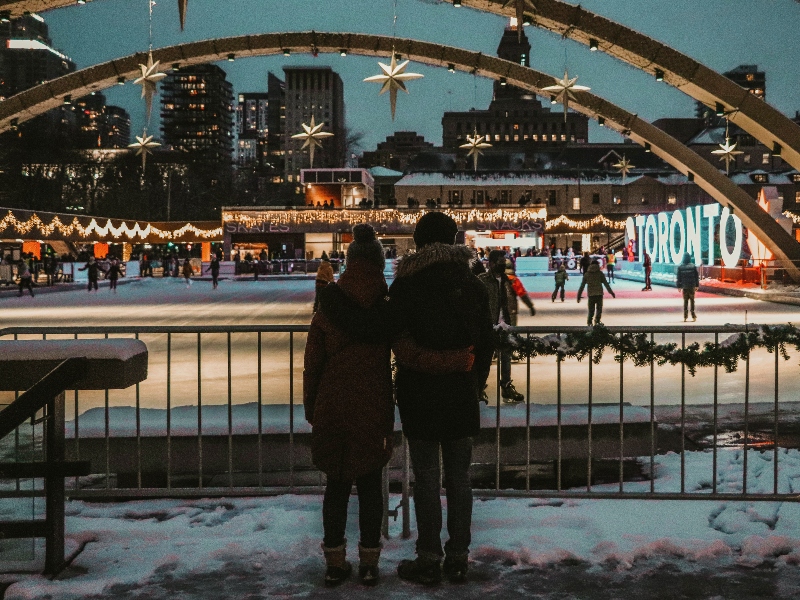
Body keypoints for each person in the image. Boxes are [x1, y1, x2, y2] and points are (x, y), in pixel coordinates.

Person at [388, 212, 494, 585]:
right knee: (460, 479)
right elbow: (485, 344)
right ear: (453, 241)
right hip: (460, 393)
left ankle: (429, 556)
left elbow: (395, 335)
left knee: (428, 478)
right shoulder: (474, 286)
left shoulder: (405, 286)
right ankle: (458, 557)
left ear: (419, 242)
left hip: (419, 393)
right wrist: (472, 381)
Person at [478, 250, 526, 403]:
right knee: (484, 360)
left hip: (505, 325)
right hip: (488, 326)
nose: (502, 264)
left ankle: (506, 387)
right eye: (499, 261)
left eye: (503, 261)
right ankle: (479, 389)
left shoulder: (509, 280)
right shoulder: (482, 280)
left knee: (506, 358)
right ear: (491, 263)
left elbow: (517, 297)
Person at [577, 259, 616, 326]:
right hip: (599, 294)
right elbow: (606, 284)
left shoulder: (587, 274)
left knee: (591, 310)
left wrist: (578, 296)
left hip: (591, 294)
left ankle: (589, 322)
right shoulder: (600, 274)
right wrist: (611, 292)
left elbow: (582, 286)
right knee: (599, 309)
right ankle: (597, 321)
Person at [676, 252, 700, 321]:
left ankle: (685, 316)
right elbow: (696, 277)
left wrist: (679, 286)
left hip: (685, 286)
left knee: (685, 301)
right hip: (692, 285)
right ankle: (693, 315)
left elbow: (679, 277)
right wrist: (697, 285)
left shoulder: (680, 267)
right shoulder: (693, 266)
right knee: (692, 300)